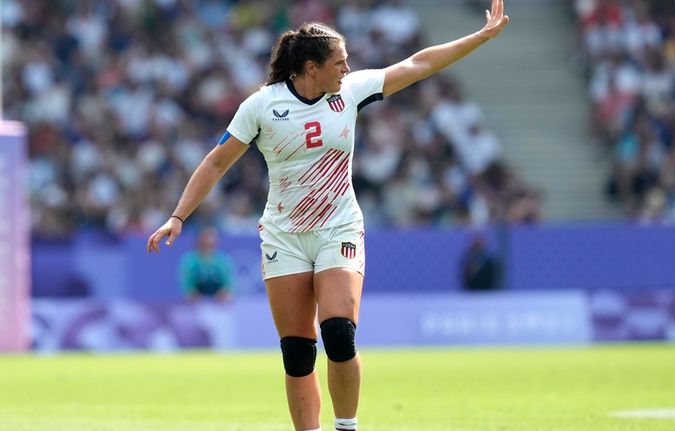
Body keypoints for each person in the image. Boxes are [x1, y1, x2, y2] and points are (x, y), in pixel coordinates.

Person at [147, 2, 509, 429]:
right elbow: (215, 163)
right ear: (310, 67)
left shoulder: (349, 91)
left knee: (339, 333)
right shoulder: (262, 106)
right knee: (298, 353)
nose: (347, 68)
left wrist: (479, 37)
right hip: (284, 236)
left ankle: (347, 426)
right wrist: (179, 216)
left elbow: (417, 64)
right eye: (340, 62)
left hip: (338, 228)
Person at [178, 227, 234, 303]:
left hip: (219, 298)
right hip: (196, 299)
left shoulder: (222, 260)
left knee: (229, 297)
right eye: (206, 238)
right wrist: (193, 293)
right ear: (199, 241)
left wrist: (223, 292)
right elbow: (187, 283)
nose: (209, 242)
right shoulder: (190, 260)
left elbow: (228, 282)